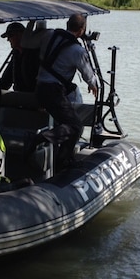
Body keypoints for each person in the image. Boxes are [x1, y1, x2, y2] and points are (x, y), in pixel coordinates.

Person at [34, 14, 99, 169]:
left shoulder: (50, 35)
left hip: (39, 87)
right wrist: (93, 84)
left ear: (67, 24)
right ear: (82, 29)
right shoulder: (77, 50)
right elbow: (88, 73)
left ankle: (63, 159)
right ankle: (42, 140)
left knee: (68, 123)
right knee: (75, 126)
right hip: (54, 91)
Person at [0, 22, 40, 92]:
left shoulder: (34, 53)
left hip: (33, 96)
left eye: (10, 36)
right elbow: (6, 79)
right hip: (20, 95)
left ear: (20, 35)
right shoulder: (16, 54)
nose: (8, 40)